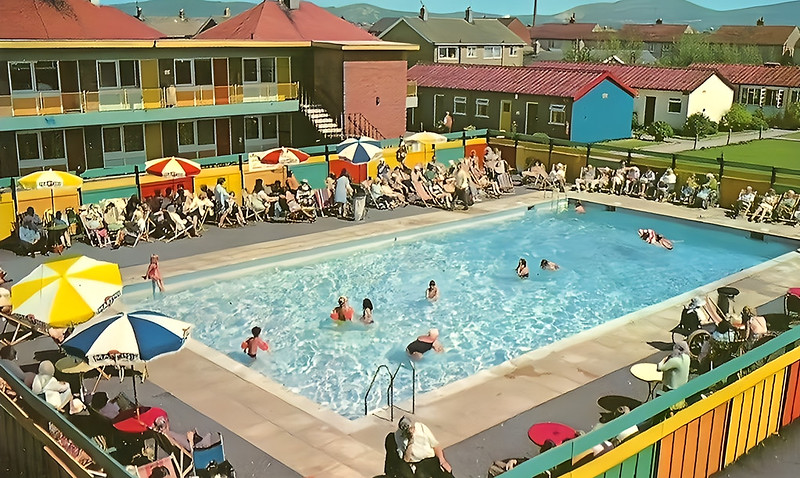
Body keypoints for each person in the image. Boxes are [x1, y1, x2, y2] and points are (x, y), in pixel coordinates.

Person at [386, 416, 453, 477]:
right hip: (417, 463)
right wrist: (410, 442)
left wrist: (443, 461)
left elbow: (435, 445)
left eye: (412, 428)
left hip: (431, 459)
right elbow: (406, 459)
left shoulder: (421, 427)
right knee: (421, 475)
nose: (411, 431)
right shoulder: (399, 437)